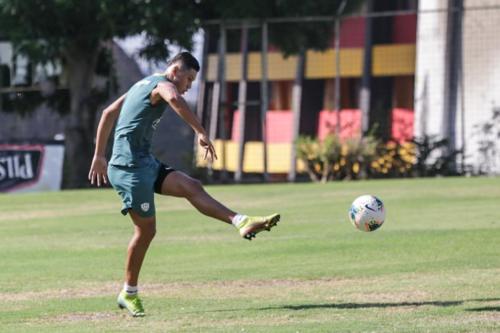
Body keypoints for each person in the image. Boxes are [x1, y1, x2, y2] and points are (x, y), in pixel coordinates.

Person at [88, 52, 280, 317]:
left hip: (145, 164)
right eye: (188, 79)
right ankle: (128, 293)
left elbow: (109, 112)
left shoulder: (140, 84)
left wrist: (99, 155)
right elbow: (174, 97)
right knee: (146, 231)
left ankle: (241, 221)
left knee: (192, 186)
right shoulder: (163, 84)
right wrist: (200, 131)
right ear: (175, 70)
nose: (189, 85)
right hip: (128, 169)